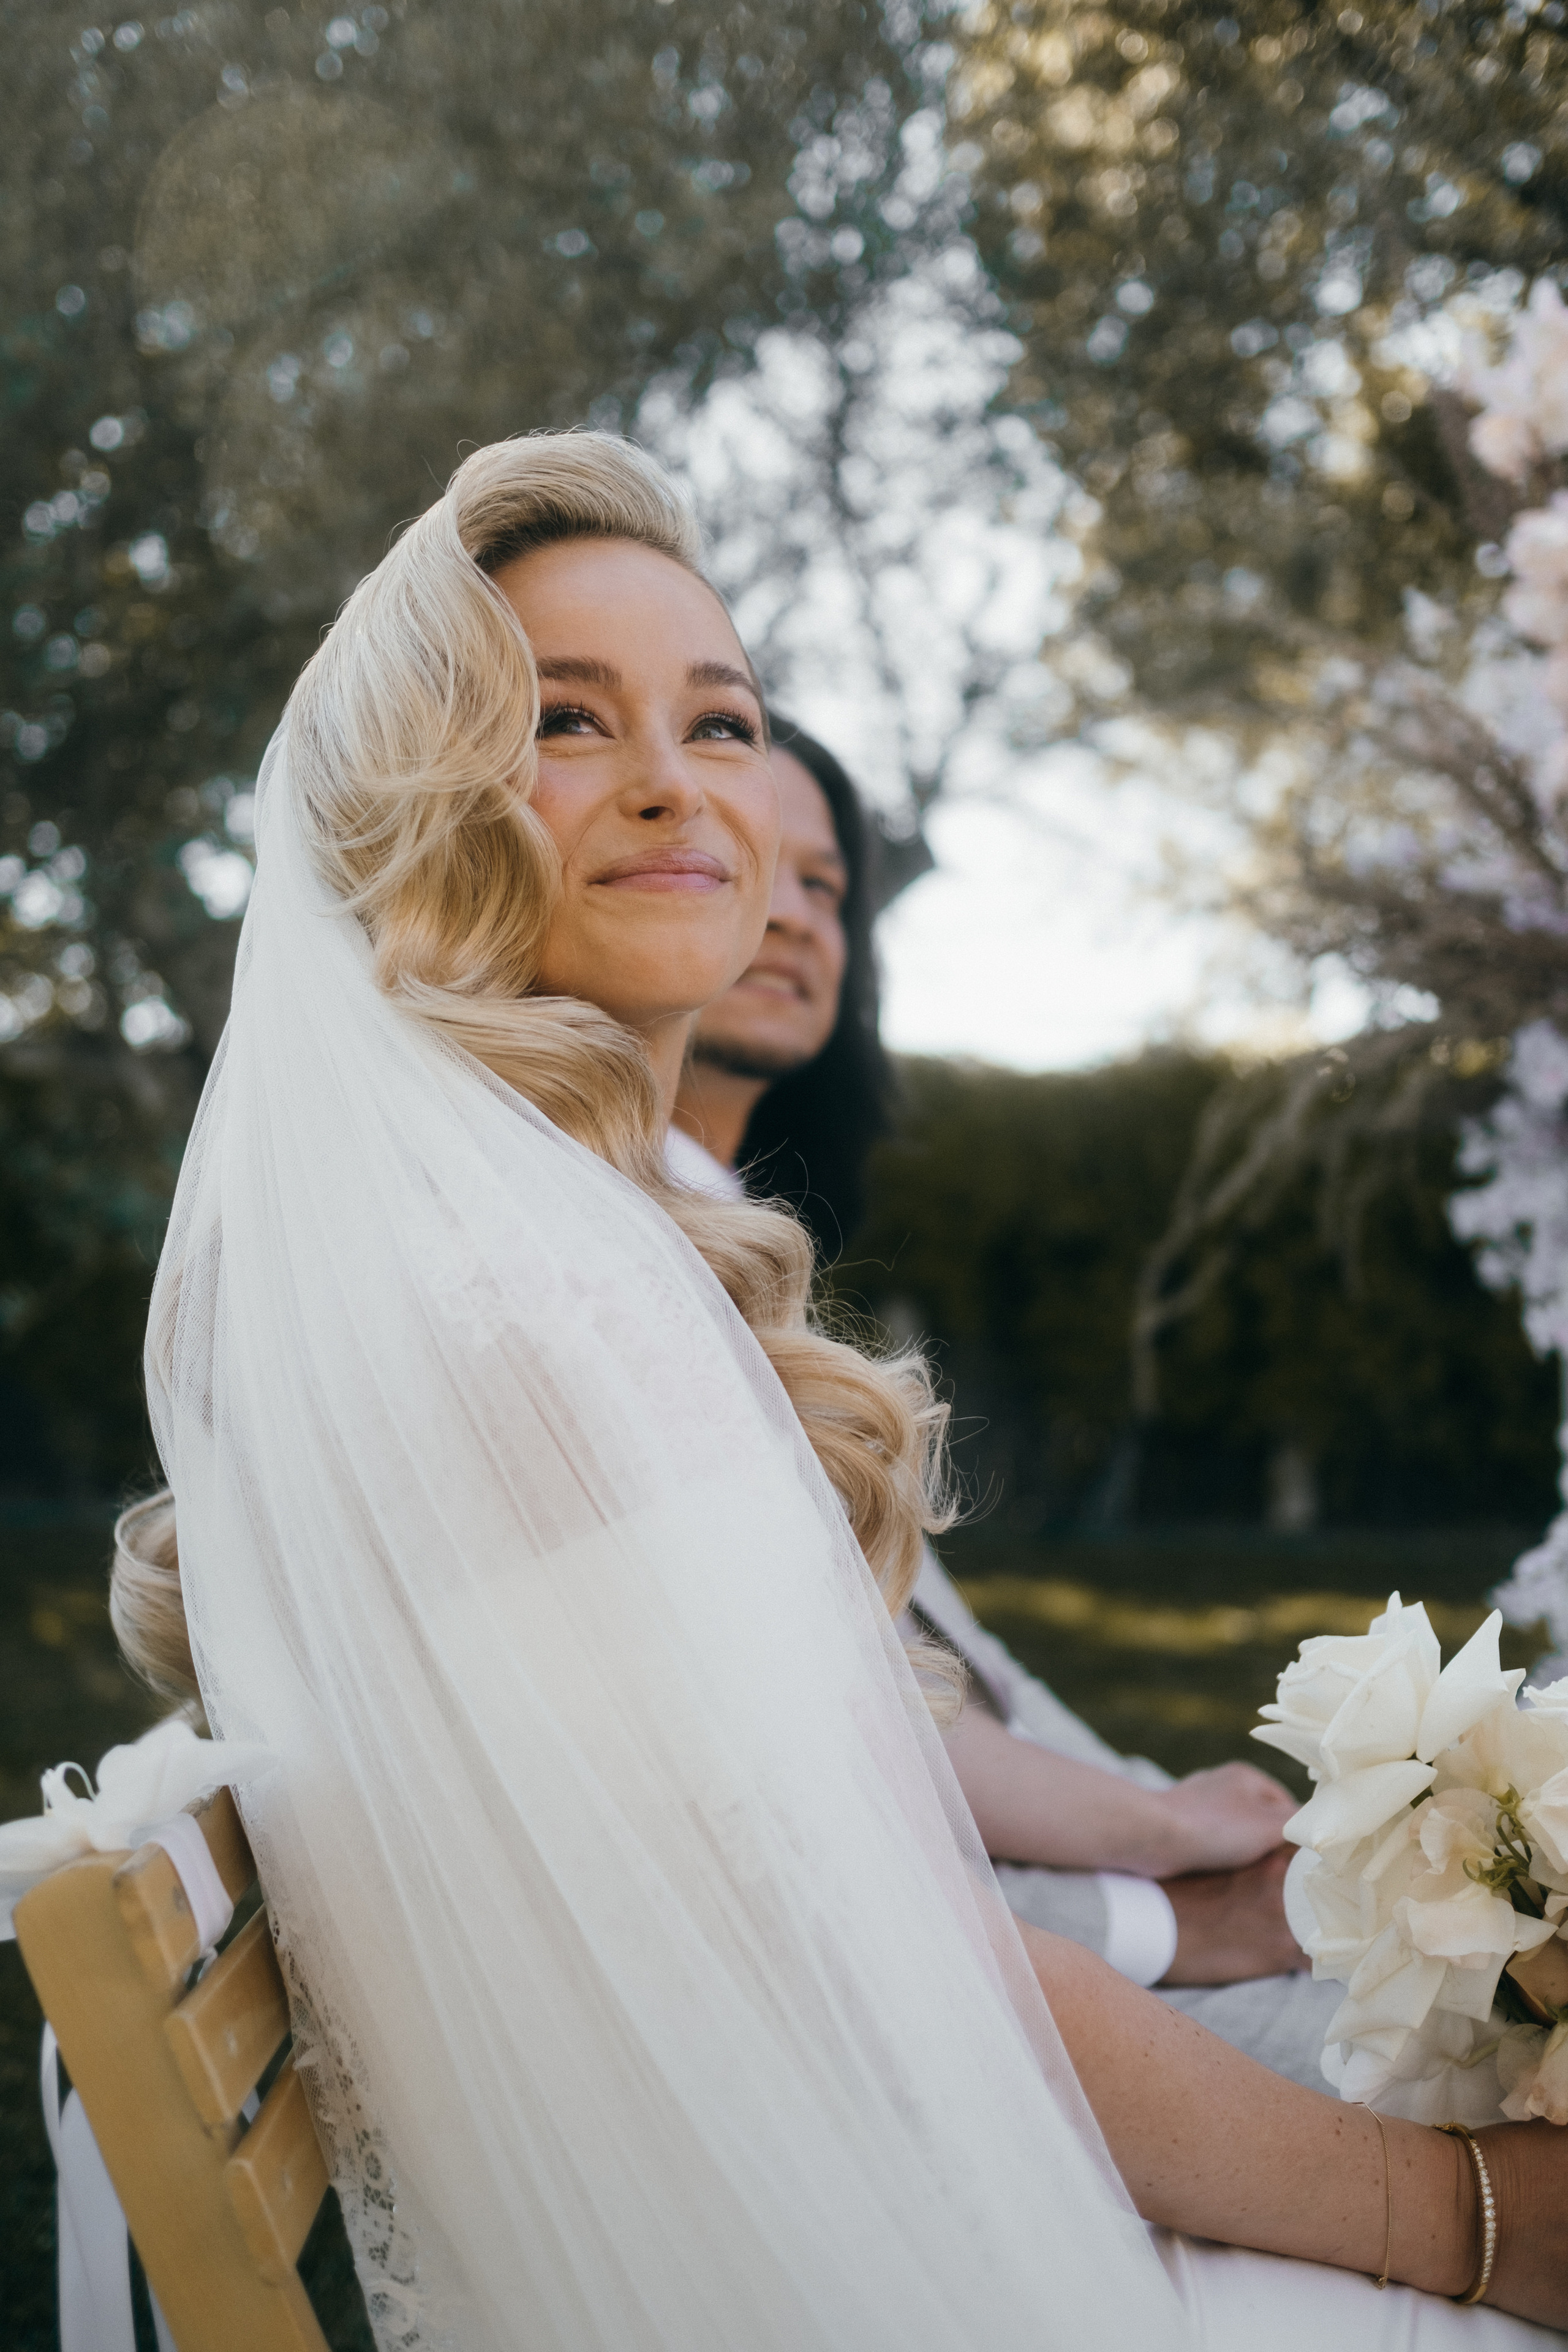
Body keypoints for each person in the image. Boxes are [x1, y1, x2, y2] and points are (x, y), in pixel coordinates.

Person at [112, 433, 1568, 2347]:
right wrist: (1462, 2222)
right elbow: (891, 1977)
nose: (676, 785)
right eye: (565, 721)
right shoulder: (524, 1309)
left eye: (721, 722)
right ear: (424, 802)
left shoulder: (489, 1264)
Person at [672, 724, 1330, 2068]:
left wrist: (1160, 1820)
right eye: (752, 869)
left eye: (826, 887)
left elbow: (945, 1668)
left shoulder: (747, 1244)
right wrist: (1159, 1888)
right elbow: (786, 1758)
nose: (796, 916)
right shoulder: (626, 1274)